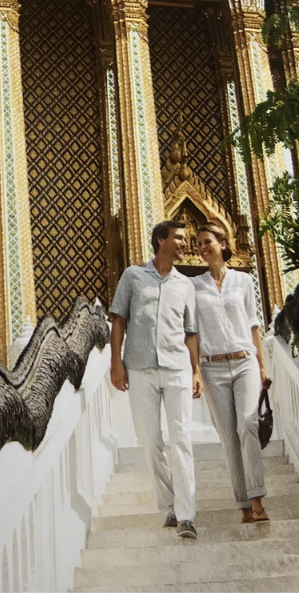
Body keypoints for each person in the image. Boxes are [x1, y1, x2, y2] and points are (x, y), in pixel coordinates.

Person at [109, 220, 202, 541]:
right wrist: (116, 363)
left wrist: (196, 370)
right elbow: (118, 321)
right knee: (150, 441)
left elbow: (191, 332)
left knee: (181, 438)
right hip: (140, 366)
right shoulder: (133, 276)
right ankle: (170, 505)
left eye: (186, 239)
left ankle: (187, 515)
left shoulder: (185, 284)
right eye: (179, 238)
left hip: (177, 367)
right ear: (161, 240)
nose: (185, 244)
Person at [192, 220, 270, 523]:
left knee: (248, 425)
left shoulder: (244, 281)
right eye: (199, 243)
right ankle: (243, 505)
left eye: (207, 241)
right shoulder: (193, 286)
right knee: (228, 436)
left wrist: (262, 365)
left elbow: (253, 324)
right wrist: (196, 370)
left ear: (222, 244)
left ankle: (257, 498)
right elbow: (192, 332)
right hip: (212, 367)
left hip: (244, 362)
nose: (202, 248)